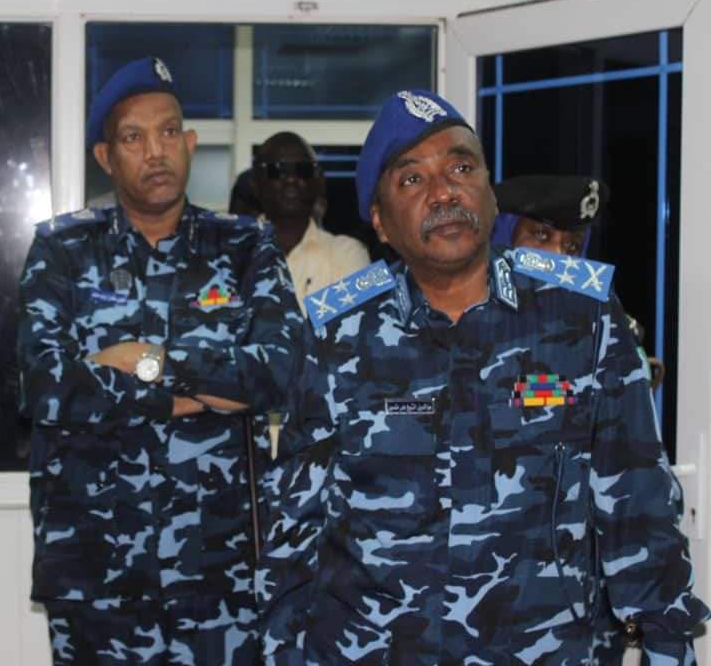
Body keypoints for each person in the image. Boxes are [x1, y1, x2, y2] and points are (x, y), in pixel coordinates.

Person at [260, 89, 709, 664]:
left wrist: (669, 649)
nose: (444, 191)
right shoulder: (336, 334)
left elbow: (639, 505)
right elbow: (293, 528)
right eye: (412, 180)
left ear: (491, 197)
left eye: (461, 168)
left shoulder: (583, 316)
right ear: (381, 223)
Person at [18, 56, 302, 665]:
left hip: (223, 572)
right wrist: (208, 390)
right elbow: (48, 386)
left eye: (169, 131)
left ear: (190, 143)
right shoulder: (62, 250)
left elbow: (278, 373)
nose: (156, 151)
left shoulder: (246, 246)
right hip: (96, 571)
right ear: (105, 157)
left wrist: (146, 362)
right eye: (133, 137)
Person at [493, 174, 664, 389]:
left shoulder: (600, 323)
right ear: (503, 235)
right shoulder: (467, 314)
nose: (559, 256)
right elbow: (494, 394)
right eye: (541, 235)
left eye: (572, 246)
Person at [253, 132, 369, 313]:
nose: (291, 179)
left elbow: (354, 324)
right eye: (278, 170)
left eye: (302, 170)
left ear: (318, 182)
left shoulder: (349, 253)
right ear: (256, 183)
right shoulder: (229, 253)